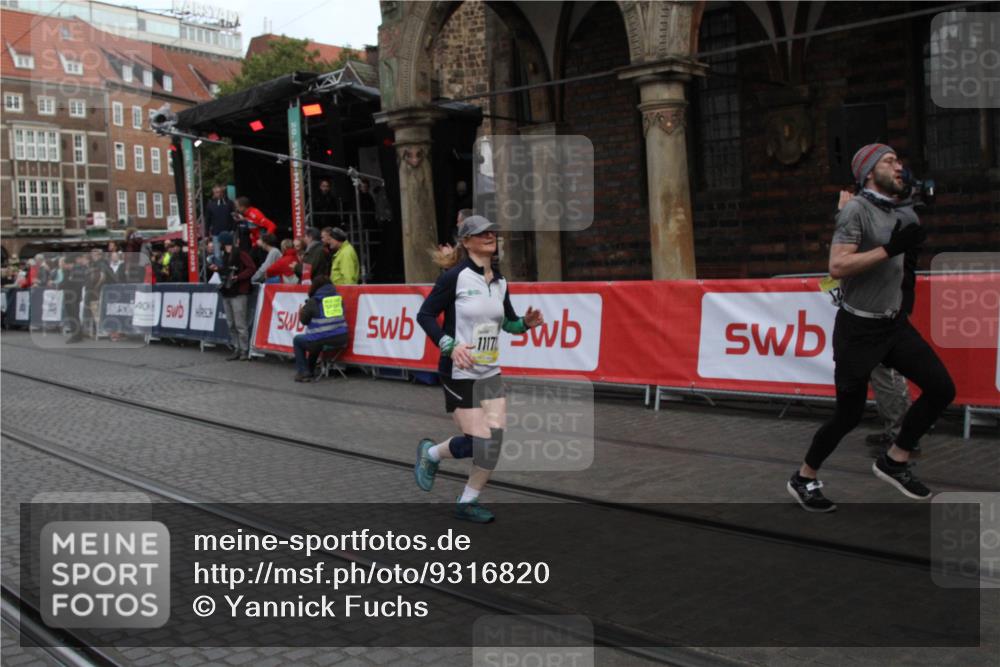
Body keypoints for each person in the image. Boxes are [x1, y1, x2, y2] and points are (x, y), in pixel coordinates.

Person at [787, 144, 955, 512]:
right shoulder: (856, 211)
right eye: (889, 161)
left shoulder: (900, 208)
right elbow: (838, 266)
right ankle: (804, 477)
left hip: (893, 325)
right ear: (867, 172)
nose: (898, 165)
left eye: (899, 159)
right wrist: (890, 249)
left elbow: (911, 209)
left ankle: (894, 460)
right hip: (858, 331)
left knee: (942, 388)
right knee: (847, 415)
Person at [414, 215, 544, 523]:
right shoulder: (454, 277)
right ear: (466, 241)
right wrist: (450, 345)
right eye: (481, 233)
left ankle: (468, 500)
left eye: (492, 232)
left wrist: (525, 324)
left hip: (489, 370)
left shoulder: (500, 283)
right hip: (458, 371)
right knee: (479, 439)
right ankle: (431, 455)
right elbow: (425, 315)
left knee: (493, 442)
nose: (489, 236)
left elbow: (509, 323)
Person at [291, 274, 349, 382]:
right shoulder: (338, 299)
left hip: (322, 339)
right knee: (315, 340)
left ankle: (303, 372)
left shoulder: (314, 301)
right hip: (342, 339)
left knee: (298, 340)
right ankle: (310, 370)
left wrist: (301, 312)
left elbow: (304, 321)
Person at [210, 231, 255, 360]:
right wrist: (217, 269)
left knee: (240, 323)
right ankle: (237, 348)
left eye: (221, 243)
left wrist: (238, 277)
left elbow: (251, 268)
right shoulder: (225, 256)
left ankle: (244, 350)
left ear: (224, 243)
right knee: (231, 323)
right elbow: (226, 271)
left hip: (239, 292)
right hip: (227, 291)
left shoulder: (241, 254)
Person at [204, 184, 235, 264]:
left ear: (223, 192)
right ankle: (221, 273)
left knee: (231, 253)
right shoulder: (210, 204)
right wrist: (206, 234)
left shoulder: (229, 203)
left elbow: (234, 217)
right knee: (217, 255)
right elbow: (207, 220)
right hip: (216, 233)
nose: (218, 194)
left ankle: (231, 270)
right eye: (216, 192)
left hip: (228, 232)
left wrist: (233, 229)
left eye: (219, 192)